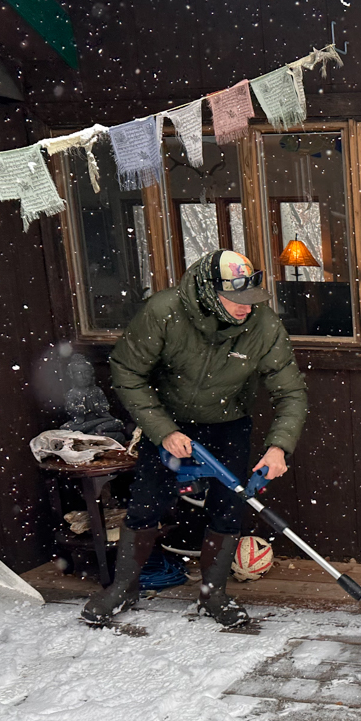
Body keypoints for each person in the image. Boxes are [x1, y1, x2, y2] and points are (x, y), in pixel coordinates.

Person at [81, 250, 307, 628]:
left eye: (251, 299)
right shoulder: (164, 312)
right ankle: (124, 588)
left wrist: (278, 447)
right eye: (235, 299)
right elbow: (127, 371)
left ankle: (212, 594)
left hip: (228, 422)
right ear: (208, 292)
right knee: (145, 505)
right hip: (167, 422)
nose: (246, 308)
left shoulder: (263, 326)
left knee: (228, 508)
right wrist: (164, 430)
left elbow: (291, 393)